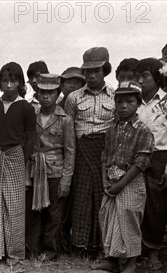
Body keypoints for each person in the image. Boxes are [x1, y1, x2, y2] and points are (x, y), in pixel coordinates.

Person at [95, 81, 154, 273]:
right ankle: (111, 260)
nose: (123, 106)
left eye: (129, 101)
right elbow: (105, 155)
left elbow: (142, 161)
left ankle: (131, 265)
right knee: (110, 218)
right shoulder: (112, 129)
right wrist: (105, 179)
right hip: (111, 179)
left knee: (129, 220)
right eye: (119, 101)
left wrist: (121, 184)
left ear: (138, 104)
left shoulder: (142, 130)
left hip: (130, 181)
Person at [65, 47, 116, 256]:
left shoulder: (115, 95)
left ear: (105, 70)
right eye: (88, 71)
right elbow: (68, 133)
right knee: (82, 198)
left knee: (103, 198)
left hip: (105, 153)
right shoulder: (73, 98)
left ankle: (102, 246)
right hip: (81, 152)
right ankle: (81, 245)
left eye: (96, 70)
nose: (92, 75)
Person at [0, 62, 37, 265]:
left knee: (14, 205)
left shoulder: (25, 107)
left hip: (15, 156)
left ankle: (14, 253)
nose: (8, 85)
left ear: (20, 83)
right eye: (5, 81)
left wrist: (22, 158)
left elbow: (30, 137)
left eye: (13, 81)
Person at [135, 58, 167, 270]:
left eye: (145, 76)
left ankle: (154, 252)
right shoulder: (133, 102)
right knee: (134, 204)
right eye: (138, 76)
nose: (140, 80)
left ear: (156, 77)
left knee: (157, 206)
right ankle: (133, 251)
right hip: (135, 159)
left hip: (160, 159)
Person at [25, 74, 75, 260]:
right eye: (42, 92)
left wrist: (66, 180)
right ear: (37, 94)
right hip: (34, 170)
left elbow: (70, 152)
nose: (46, 96)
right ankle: (32, 248)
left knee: (54, 213)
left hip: (55, 171)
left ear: (57, 94)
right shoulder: (32, 116)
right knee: (34, 210)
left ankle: (50, 250)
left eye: (50, 92)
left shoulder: (65, 120)